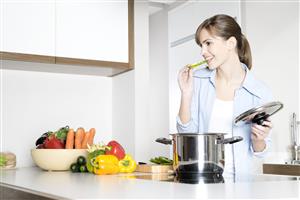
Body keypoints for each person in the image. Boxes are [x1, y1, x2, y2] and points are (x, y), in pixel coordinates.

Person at [177, 14, 273, 178]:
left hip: (242, 185)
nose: (203, 52)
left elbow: (260, 153)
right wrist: (186, 94)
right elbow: (187, 134)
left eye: (208, 43)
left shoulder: (259, 90)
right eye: (201, 45)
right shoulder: (198, 80)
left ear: (231, 43)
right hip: (203, 180)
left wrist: (259, 138)